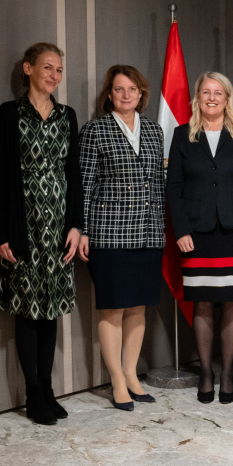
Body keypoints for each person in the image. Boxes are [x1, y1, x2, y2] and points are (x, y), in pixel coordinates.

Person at [0, 42, 83, 425]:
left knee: (52, 311)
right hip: (24, 227)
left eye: (59, 70)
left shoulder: (67, 116)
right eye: (47, 68)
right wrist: (2, 234)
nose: (54, 76)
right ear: (28, 69)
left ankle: (47, 388)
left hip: (59, 226)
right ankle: (32, 395)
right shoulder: (9, 115)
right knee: (29, 312)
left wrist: (76, 225)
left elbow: (73, 174)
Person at [167, 71, 233, 404]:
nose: (211, 98)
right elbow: (174, 189)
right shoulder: (182, 135)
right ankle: (206, 374)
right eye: (205, 92)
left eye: (218, 93)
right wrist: (181, 231)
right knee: (203, 301)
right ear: (197, 96)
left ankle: (227, 375)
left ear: (228, 98)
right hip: (197, 233)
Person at [78, 65, 166, 411]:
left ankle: (131, 374)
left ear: (141, 94)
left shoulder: (155, 131)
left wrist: (160, 228)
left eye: (132, 89)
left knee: (138, 306)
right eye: (119, 89)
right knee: (113, 307)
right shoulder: (95, 131)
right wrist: (83, 229)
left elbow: (157, 184)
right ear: (109, 95)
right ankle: (116, 380)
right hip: (108, 233)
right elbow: (84, 185)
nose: (126, 95)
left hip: (147, 232)